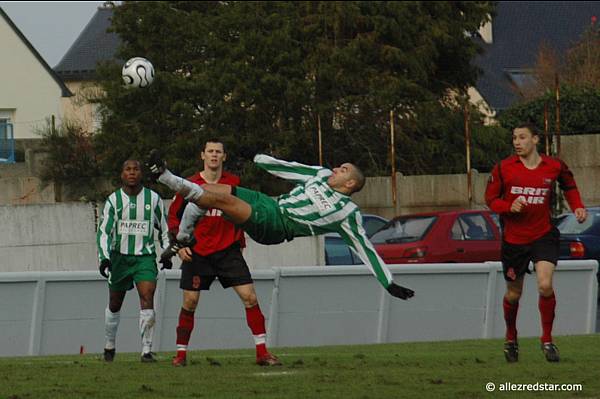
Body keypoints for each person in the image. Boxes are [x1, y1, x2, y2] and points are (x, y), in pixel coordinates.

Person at [146, 149, 415, 300]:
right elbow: (291, 167)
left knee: (217, 200)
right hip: (270, 204)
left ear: (350, 184)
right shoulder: (320, 175)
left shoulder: (347, 213)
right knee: (208, 191)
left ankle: (165, 176)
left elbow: (365, 248)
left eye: (342, 170)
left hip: (277, 226)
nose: (335, 169)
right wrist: (260, 159)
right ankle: (182, 236)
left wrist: (388, 282)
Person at [163, 139, 281, 367]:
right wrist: (181, 245)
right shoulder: (190, 184)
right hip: (197, 252)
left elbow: (245, 211)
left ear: (224, 157)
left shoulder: (233, 184)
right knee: (190, 302)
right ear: (203, 155)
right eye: (210, 151)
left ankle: (262, 353)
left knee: (250, 297)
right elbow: (174, 217)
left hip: (228, 251)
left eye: (218, 152)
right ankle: (180, 355)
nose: (214, 155)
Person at [485, 123, 586, 363]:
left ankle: (547, 340)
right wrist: (508, 206)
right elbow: (490, 199)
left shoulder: (554, 166)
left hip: (543, 234)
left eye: (522, 137)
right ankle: (511, 337)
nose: (517, 142)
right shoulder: (504, 168)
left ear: (535, 139)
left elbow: (569, 185)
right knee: (513, 293)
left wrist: (578, 206)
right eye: (514, 138)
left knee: (544, 285)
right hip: (514, 239)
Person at [97, 159, 172, 363]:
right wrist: (104, 258)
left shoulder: (153, 199)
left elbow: (164, 229)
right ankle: (109, 345)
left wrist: (166, 254)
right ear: (122, 174)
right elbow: (103, 232)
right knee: (114, 303)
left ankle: (146, 350)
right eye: (128, 169)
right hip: (119, 257)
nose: (132, 173)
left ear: (141, 173)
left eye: (136, 169)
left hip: (145, 258)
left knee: (147, 297)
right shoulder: (113, 200)